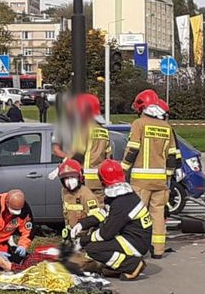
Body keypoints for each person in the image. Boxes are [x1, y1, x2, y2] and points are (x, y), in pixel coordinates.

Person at [65, 159, 152, 281]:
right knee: (97, 244)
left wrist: (83, 241)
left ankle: (131, 265)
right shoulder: (122, 195)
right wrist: (82, 224)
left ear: (103, 180)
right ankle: (119, 266)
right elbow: (104, 213)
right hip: (135, 238)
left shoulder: (121, 203)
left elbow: (106, 233)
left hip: (135, 243)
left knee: (93, 249)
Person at [121, 89, 181, 258]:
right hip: (160, 181)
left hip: (141, 180)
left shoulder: (139, 124)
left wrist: (123, 169)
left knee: (136, 215)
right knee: (158, 215)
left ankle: (135, 248)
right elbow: (171, 155)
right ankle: (158, 250)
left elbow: (132, 149)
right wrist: (167, 176)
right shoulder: (166, 127)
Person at [53, 93, 111, 196]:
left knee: (83, 208)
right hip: (100, 180)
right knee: (99, 208)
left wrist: (62, 166)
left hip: (85, 179)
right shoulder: (104, 132)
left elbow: (76, 154)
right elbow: (109, 156)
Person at [58, 158, 99, 229]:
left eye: (72, 177)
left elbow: (94, 220)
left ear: (79, 177)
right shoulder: (64, 192)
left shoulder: (88, 196)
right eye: (66, 178)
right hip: (70, 232)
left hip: (84, 234)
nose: (69, 181)